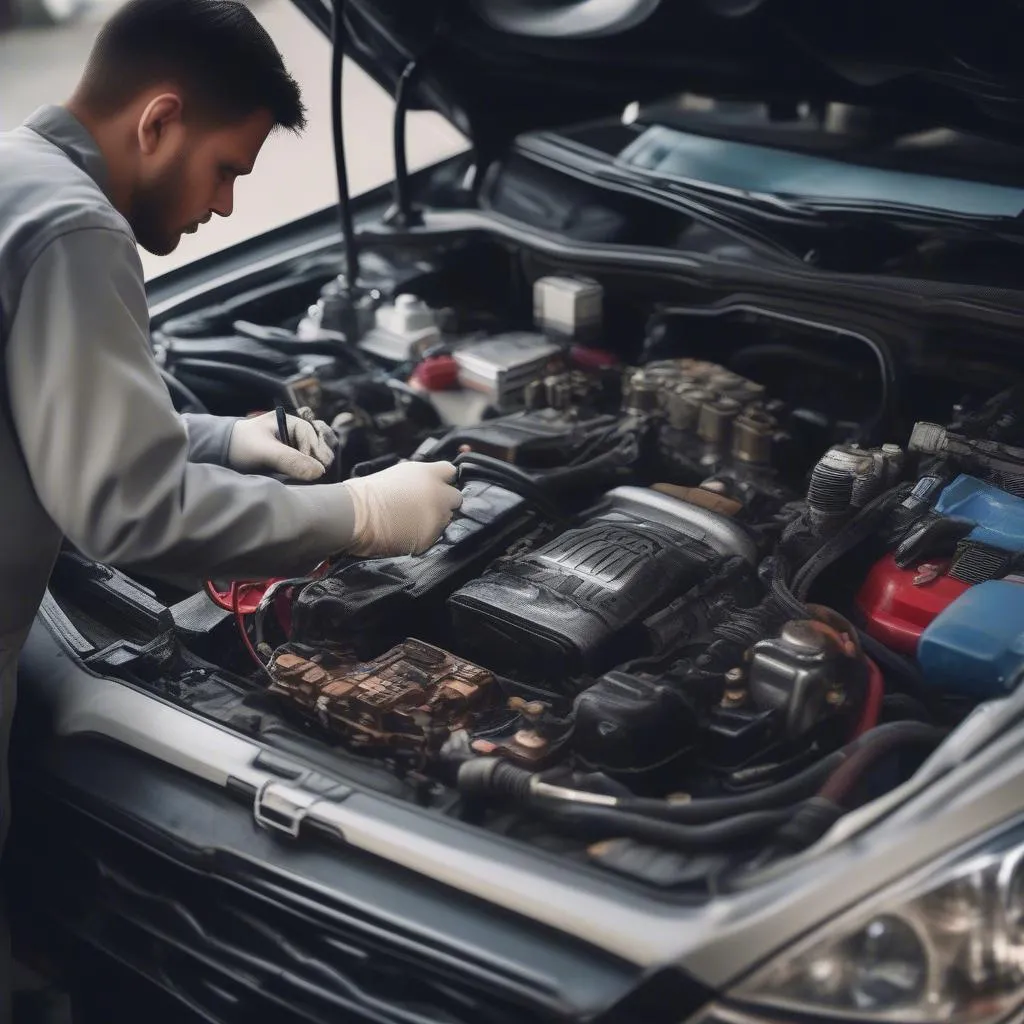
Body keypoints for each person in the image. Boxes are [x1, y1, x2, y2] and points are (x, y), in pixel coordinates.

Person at [0, 0, 462, 1015]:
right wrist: (360, 516)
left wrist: (221, 436)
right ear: (158, 119)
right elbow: (127, 512)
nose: (225, 208)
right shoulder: (78, 227)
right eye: (227, 170)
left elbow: (43, 409)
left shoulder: (14, 178)